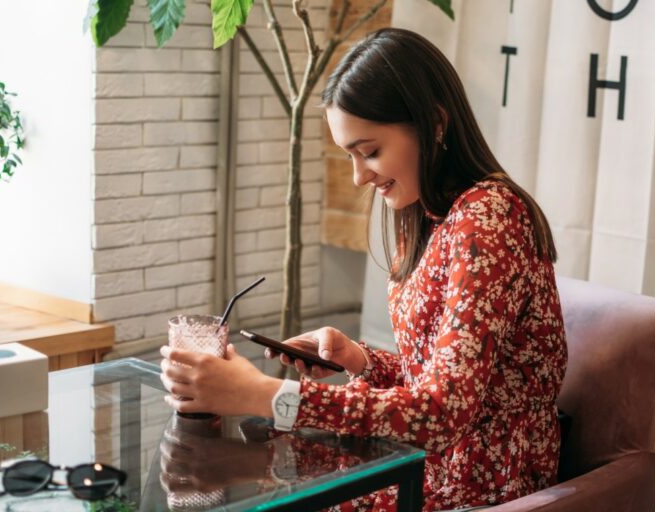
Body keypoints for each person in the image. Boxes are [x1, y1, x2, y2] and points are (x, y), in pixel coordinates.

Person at [159, 27, 567, 511]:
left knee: (258, 482)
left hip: (481, 485)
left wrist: (265, 394)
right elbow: (439, 380)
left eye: (369, 151)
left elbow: (443, 414)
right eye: (350, 155)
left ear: (434, 123)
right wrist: (360, 360)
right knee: (242, 469)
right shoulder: (427, 214)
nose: (359, 177)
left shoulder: (489, 219)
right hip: (426, 462)